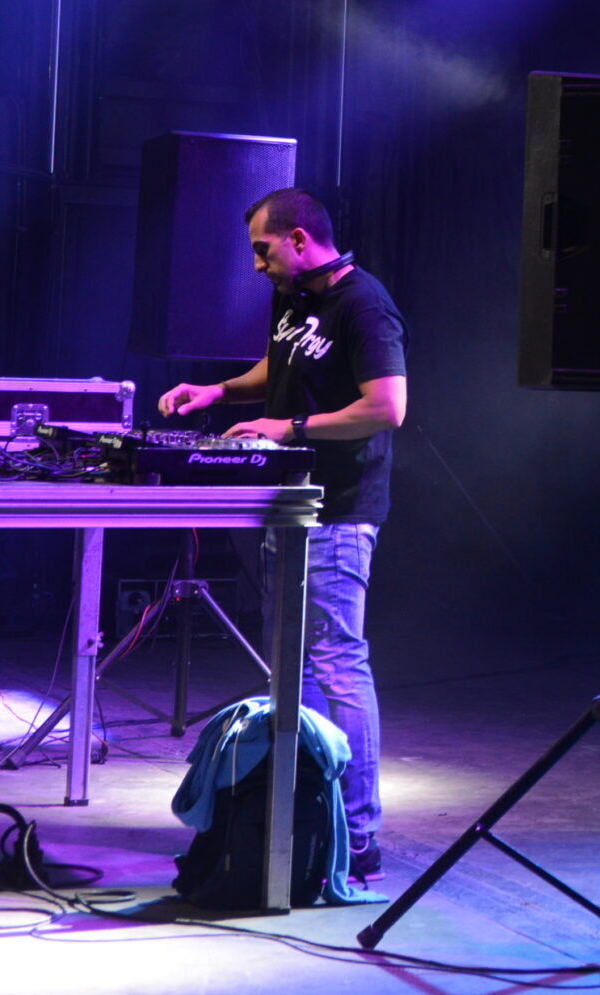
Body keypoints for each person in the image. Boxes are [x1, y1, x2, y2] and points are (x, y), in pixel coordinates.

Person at [157, 187, 405, 883]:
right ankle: (306, 821)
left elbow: (387, 406)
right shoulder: (294, 298)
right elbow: (285, 366)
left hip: (339, 511)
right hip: (291, 506)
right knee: (292, 671)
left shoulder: (364, 303)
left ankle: (358, 834)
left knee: (337, 665)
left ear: (299, 239)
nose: (257, 265)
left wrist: (288, 428)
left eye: (263, 250)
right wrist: (219, 392)